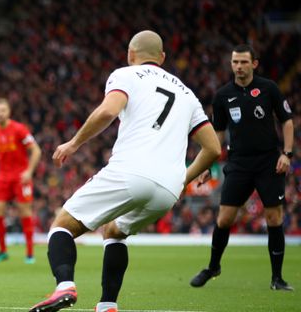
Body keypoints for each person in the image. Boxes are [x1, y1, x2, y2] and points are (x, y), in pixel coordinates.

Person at [29, 30, 221, 312]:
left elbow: (108, 111)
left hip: (131, 171)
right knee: (115, 231)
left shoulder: (126, 75)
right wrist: (183, 180)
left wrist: (74, 143)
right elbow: (213, 149)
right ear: (163, 58)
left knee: (62, 225)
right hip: (168, 189)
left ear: (131, 54)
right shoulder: (187, 94)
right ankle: (108, 305)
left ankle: (64, 286)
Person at [189, 44, 295, 291]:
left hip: (269, 161)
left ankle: (277, 278)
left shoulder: (269, 88)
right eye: (235, 62)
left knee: (274, 217)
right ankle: (213, 267)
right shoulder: (222, 95)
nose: (238, 66)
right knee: (224, 218)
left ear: (254, 64)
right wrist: (207, 162)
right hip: (238, 163)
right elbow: (216, 133)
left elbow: (287, 121)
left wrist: (287, 154)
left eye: (243, 62)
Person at [0, 98, 42, 264]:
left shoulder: (19, 129)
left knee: (25, 212)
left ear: (8, 112)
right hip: (3, 177)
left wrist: (29, 172)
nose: (0, 113)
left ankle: (29, 253)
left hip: (20, 177)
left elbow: (36, 150)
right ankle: (2, 251)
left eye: (3, 110)